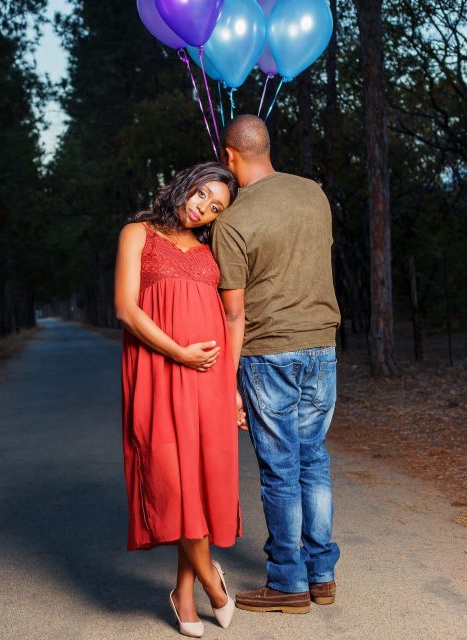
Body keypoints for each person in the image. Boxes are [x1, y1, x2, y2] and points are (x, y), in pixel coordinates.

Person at [212, 114, 341, 615]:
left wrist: (228, 387)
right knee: (314, 460)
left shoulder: (232, 222)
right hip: (322, 347)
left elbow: (234, 312)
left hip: (269, 354)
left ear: (230, 156)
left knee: (281, 470)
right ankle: (322, 575)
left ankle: (288, 582)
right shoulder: (314, 194)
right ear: (268, 146)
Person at [115, 162, 244, 638]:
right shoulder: (138, 233)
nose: (203, 209)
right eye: (202, 195)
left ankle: (183, 593)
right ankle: (214, 583)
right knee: (170, 478)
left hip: (208, 383)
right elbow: (125, 307)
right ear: (187, 183)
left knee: (199, 482)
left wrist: (229, 387)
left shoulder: (210, 251)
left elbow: (231, 317)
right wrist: (179, 353)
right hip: (157, 370)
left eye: (214, 209)